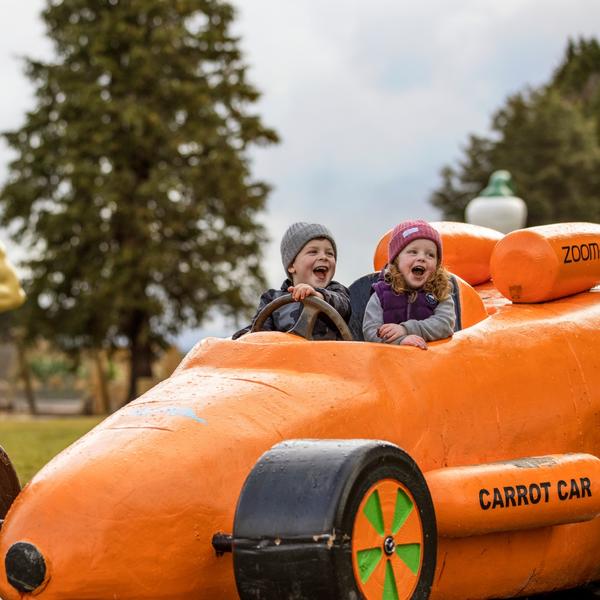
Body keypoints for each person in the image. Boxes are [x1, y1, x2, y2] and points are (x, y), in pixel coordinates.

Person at [233, 222, 351, 340]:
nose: (324, 257)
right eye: (313, 252)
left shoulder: (337, 291)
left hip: (329, 356)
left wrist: (319, 296)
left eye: (330, 253)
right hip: (286, 356)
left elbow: (344, 308)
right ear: (291, 265)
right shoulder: (272, 299)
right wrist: (244, 336)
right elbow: (258, 331)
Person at [362, 220, 454, 349]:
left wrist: (407, 329)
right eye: (413, 252)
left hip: (432, 362)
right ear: (396, 260)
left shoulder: (440, 293)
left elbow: (445, 324)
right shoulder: (381, 294)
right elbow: (370, 331)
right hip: (390, 362)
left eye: (430, 255)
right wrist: (400, 340)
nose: (422, 258)